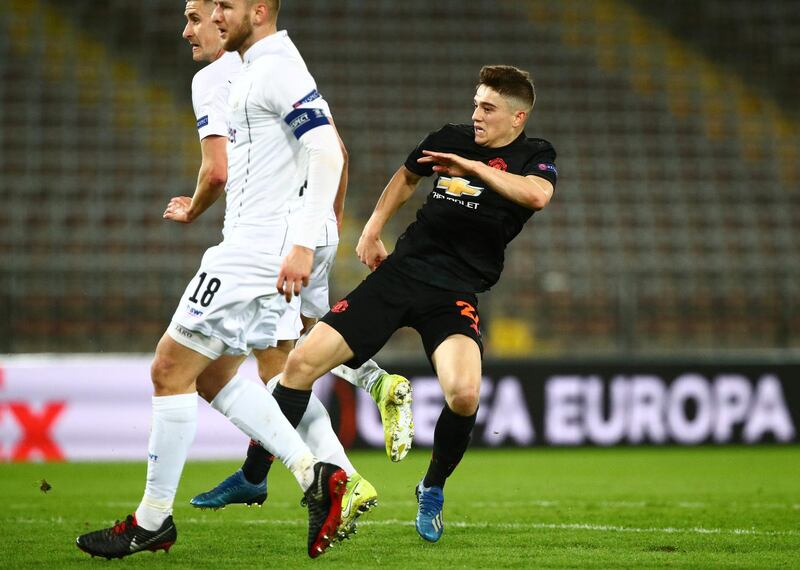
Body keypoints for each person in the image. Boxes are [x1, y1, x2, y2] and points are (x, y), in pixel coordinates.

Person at [75, 0, 352, 559]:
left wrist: (303, 242)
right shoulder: (252, 66)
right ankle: (314, 473)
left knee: (169, 368)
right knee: (212, 377)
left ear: (259, 9)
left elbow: (327, 151)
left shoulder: (276, 67)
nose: (213, 16)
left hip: (250, 252)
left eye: (224, 5)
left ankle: (153, 520)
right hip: (259, 250)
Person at [270, 64, 558, 543]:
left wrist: (472, 169)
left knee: (464, 395)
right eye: (475, 104)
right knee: (300, 362)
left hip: (454, 292)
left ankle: (432, 486)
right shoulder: (448, 138)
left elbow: (537, 196)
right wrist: (372, 228)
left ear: (517, 117)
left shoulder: (536, 155)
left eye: (487, 108)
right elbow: (407, 176)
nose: (476, 115)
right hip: (400, 275)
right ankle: (256, 473)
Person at [158, 1, 411, 539]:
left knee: (211, 368)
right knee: (281, 362)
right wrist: (329, 225)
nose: (193, 29)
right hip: (304, 233)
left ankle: (337, 442)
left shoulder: (223, 76)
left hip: (267, 243)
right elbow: (334, 145)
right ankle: (336, 473)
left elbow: (220, 169)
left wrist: (196, 209)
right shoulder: (264, 64)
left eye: (200, 15)